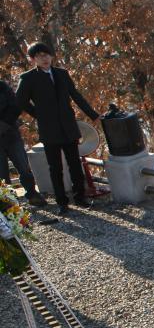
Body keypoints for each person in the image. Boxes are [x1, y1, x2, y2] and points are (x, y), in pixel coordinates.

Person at [15, 42, 100, 215]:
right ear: (33, 60)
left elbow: (75, 95)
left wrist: (93, 114)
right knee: (55, 168)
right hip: (49, 129)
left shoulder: (62, 73)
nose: (44, 58)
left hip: (68, 126)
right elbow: (20, 102)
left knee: (75, 164)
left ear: (51, 56)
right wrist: (39, 114)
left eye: (46, 54)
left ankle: (80, 197)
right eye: (39, 56)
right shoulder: (28, 78)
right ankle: (62, 202)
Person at [0, 78, 45, 206]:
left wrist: (3, 125)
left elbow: (15, 106)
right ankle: (9, 203)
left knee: (23, 166)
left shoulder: (2, 86)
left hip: (11, 134)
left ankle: (32, 193)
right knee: (1, 174)